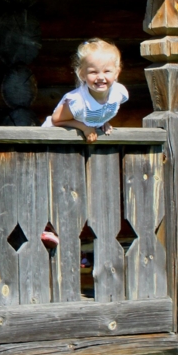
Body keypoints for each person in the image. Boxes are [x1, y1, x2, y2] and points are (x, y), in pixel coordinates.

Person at [40, 39, 128, 247]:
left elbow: (102, 111)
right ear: (82, 75)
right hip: (54, 140)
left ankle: (61, 229)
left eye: (107, 71)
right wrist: (85, 127)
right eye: (93, 72)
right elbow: (56, 119)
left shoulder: (119, 94)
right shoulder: (77, 102)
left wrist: (103, 122)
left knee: (74, 186)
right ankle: (45, 227)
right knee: (54, 183)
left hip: (75, 144)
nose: (100, 77)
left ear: (117, 72)